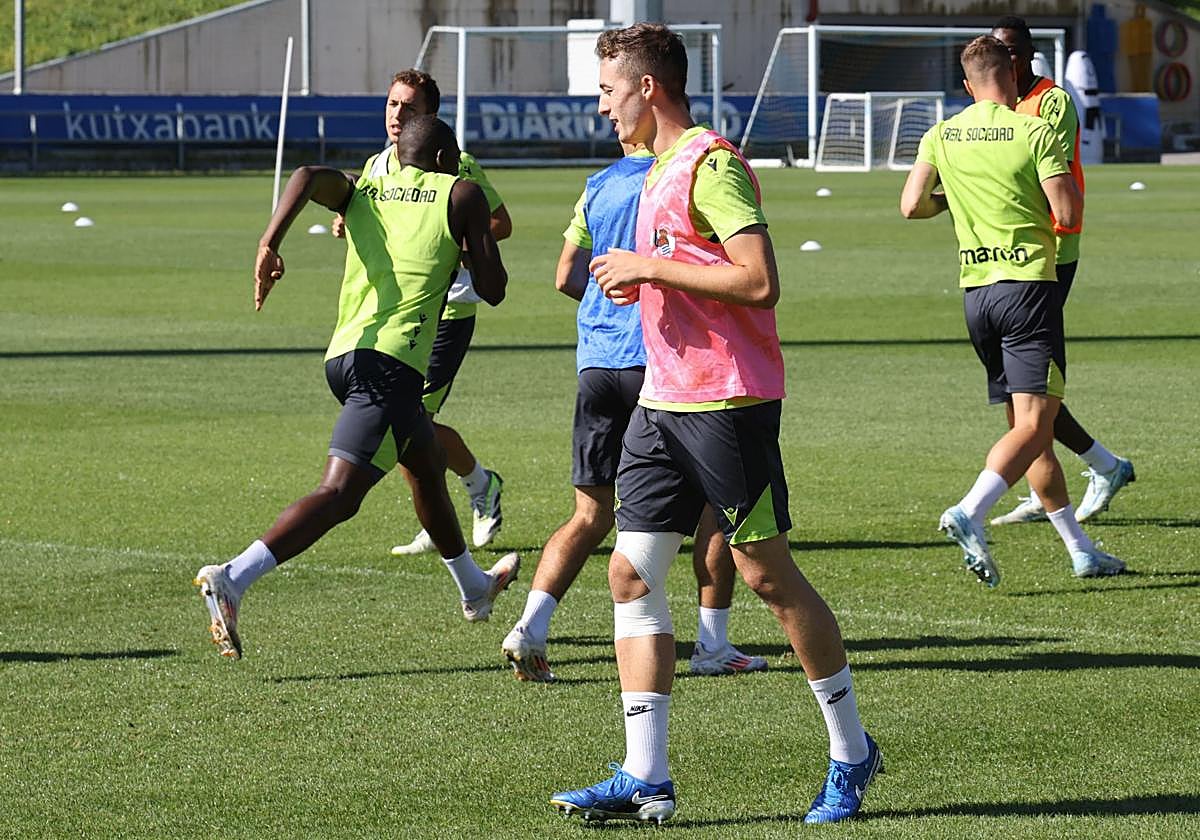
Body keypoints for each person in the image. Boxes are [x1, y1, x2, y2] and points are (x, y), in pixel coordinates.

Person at [550, 24, 880, 826]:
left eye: (607, 91)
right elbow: (695, 277)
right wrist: (651, 288)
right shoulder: (657, 168)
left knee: (765, 574)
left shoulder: (711, 163)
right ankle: (645, 775)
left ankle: (851, 751)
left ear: (648, 88)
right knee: (630, 573)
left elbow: (761, 280)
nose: (602, 108)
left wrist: (649, 269)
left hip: (728, 404)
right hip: (662, 404)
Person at [193, 115, 519, 660]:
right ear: (444, 159)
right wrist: (465, 243)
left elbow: (306, 175)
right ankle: (233, 576)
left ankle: (474, 588)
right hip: (391, 365)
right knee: (339, 494)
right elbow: (495, 289)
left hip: (344, 355)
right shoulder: (459, 192)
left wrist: (269, 242)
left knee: (427, 468)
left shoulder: (367, 185)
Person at [500, 140, 767, 683]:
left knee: (589, 515)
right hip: (659, 366)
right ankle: (713, 642)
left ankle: (530, 625)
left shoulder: (598, 184)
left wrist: (605, 304)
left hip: (596, 365)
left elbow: (565, 275)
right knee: (714, 512)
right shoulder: (677, 177)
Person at [899, 35, 1126, 585]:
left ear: (967, 83)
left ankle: (1080, 549)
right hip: (1028, 290)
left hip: (976, 294)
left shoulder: (942, 134)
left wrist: (963, 198)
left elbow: (911, 206)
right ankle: (970, 511)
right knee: (1033, 423)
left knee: (1031, 424)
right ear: (1013, 73)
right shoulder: (1035, 129)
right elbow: (1067, 214)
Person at [332, 70, 510, 554]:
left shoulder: (458, 165)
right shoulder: (375, 166)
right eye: (392, 104)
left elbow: (499, 222)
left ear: (429, 117)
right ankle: (463, 500)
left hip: (445, 313)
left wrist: (461, 242)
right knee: (411, 424)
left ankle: (474, 489)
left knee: (415, 419)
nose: (397, 115)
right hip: (390, 317)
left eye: (409, 108)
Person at [988, 16, 1135, 526]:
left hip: (1051, 250)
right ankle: (1054, 479)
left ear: (1025, 54)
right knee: (1018, 386)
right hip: (1006, 252)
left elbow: (1032, 167)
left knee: (1031, 387)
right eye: (994, 49)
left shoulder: (1052, 101)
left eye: (1008, 49)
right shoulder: (994, 103)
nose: (1001, 58)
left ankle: (1103, 464)